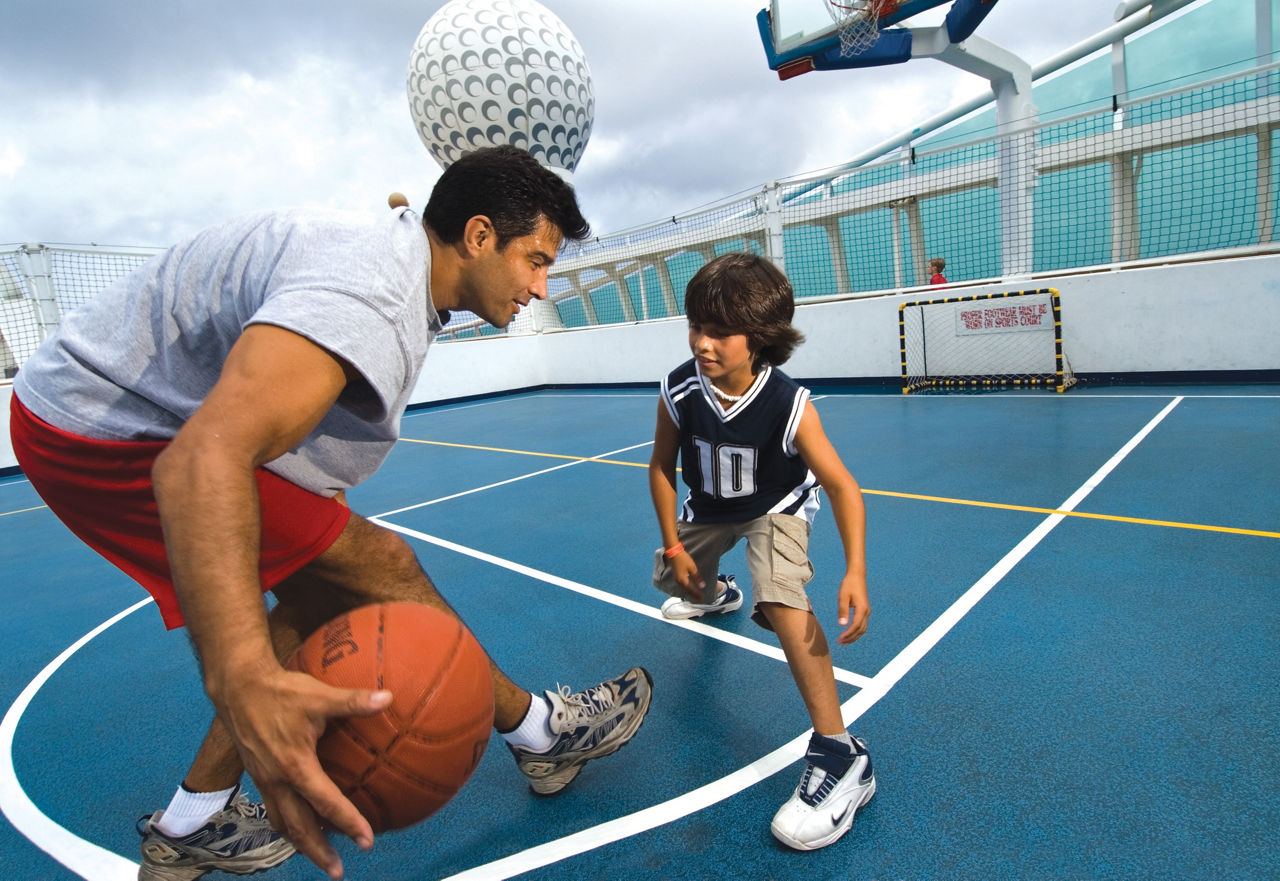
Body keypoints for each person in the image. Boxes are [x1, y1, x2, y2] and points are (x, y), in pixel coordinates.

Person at [9, 145, 653, 881]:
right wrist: (242, 672)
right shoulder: (370, 295)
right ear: (477, 237)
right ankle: (538, 733)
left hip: (113, 411)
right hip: (100, 427)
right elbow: (199, 461)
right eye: (535, 260)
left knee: (337, 588)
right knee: (380, 567)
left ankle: (194, 818)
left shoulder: (399, 264)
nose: (542, 285)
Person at [647, 252, 874, 852]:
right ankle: (717, 592)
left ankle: (840, 756)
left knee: (781, 599)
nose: (702, 342)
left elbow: (844, 485)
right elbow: (662, 468)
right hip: (712, 508)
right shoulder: (679, 387)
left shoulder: (789, 404)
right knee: (676, 581)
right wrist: (674, 543)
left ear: (762, 338)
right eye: (695, 326)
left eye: (719, 331)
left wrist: (855, 570)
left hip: (778, 506)